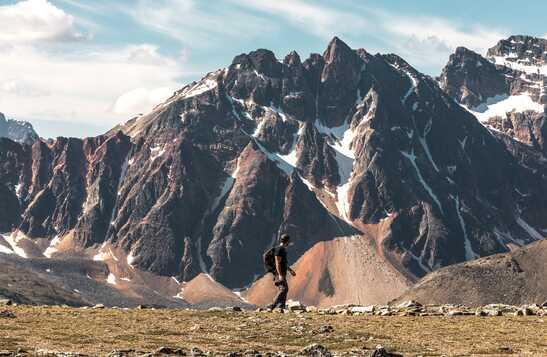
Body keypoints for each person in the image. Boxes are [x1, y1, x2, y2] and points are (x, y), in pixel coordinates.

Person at [267, 234, 296, 311]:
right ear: (286, 241)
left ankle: (281, 307)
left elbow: (284, 263)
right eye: (288, 242)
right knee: (283, 289)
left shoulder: (282, 250)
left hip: (282, 273)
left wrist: (290, 270)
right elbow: (277, 262)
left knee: (284, 289)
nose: (289, 243)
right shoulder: (279, 249)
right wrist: (280, 275)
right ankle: (272, 305)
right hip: (278, 273)